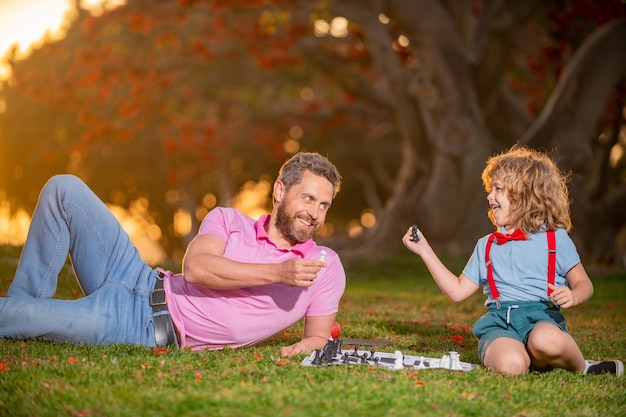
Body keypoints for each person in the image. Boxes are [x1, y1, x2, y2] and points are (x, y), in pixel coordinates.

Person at [0, 152, 345, 357]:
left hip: (141, 325)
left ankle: (23, 313)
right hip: (136, 276)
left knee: (13, 316)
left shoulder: (323, 265)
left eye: (324, 205)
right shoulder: (227, 219)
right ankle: (27, 303)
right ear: (281, 191)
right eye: (308, 198)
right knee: (65, 189)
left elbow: (316, 336)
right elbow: (196, 269)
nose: (315, 213)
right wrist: (279, 273)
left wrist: (310, 346)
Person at [402, 145, 623, 376]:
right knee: (512, 365)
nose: (489, 196)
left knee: (546, 340)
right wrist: (424, 250)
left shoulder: (555, 239)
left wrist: (573, 295)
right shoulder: (487, 245)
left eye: (497, 188)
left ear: (525, 195)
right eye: (490, 189)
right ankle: (519, 355)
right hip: (500, 324)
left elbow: (584, 284)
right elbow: (457, 292)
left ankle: (584, 367)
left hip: (542, 320)